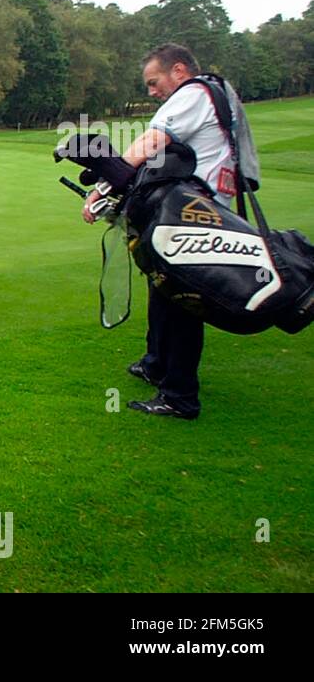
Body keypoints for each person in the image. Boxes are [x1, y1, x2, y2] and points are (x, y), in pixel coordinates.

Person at [82, 43, 255, 420]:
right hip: (199, 213)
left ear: (178, 71)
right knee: (163, 288)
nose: (152, 91)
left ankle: (179, 396)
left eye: (153, 82)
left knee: (182, 300)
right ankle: (157, 363)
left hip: (193, 217)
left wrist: (104, 185)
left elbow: (152, 142)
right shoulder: (218, 94)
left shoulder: (193, 93)